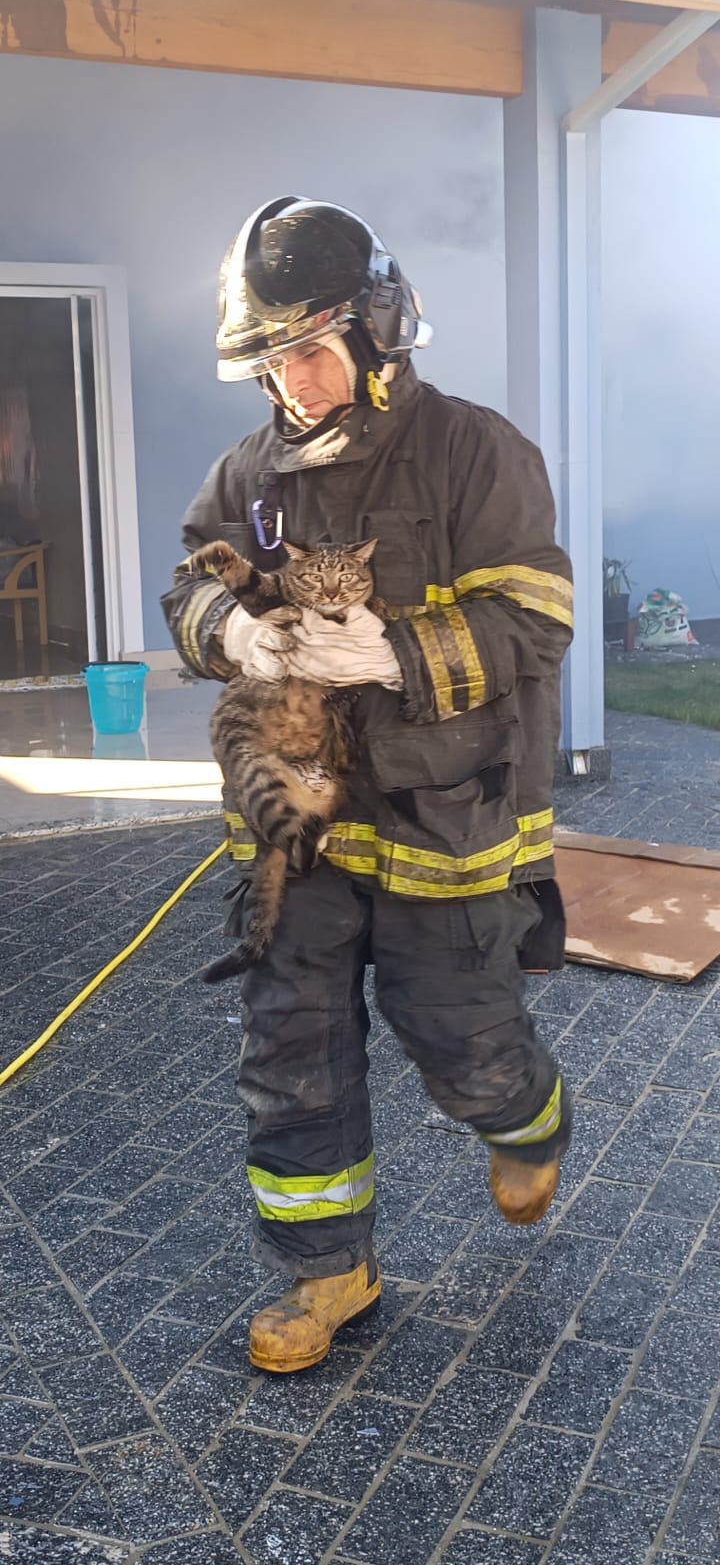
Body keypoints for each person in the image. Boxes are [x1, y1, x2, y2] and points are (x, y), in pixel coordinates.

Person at [162, 196, 574, 1375]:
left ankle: (526, 1111)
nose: (293, 382)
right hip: (299, 825)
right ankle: (326, 1271)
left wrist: (400, 652)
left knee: (459, 1038)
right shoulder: (248, 472)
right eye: (271, 360)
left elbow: (536, 616)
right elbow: (188, 587)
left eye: (311, 350)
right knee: (288, 1047)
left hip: (446, 813)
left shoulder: (475, 450)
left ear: (380, 329)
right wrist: (227, 634)